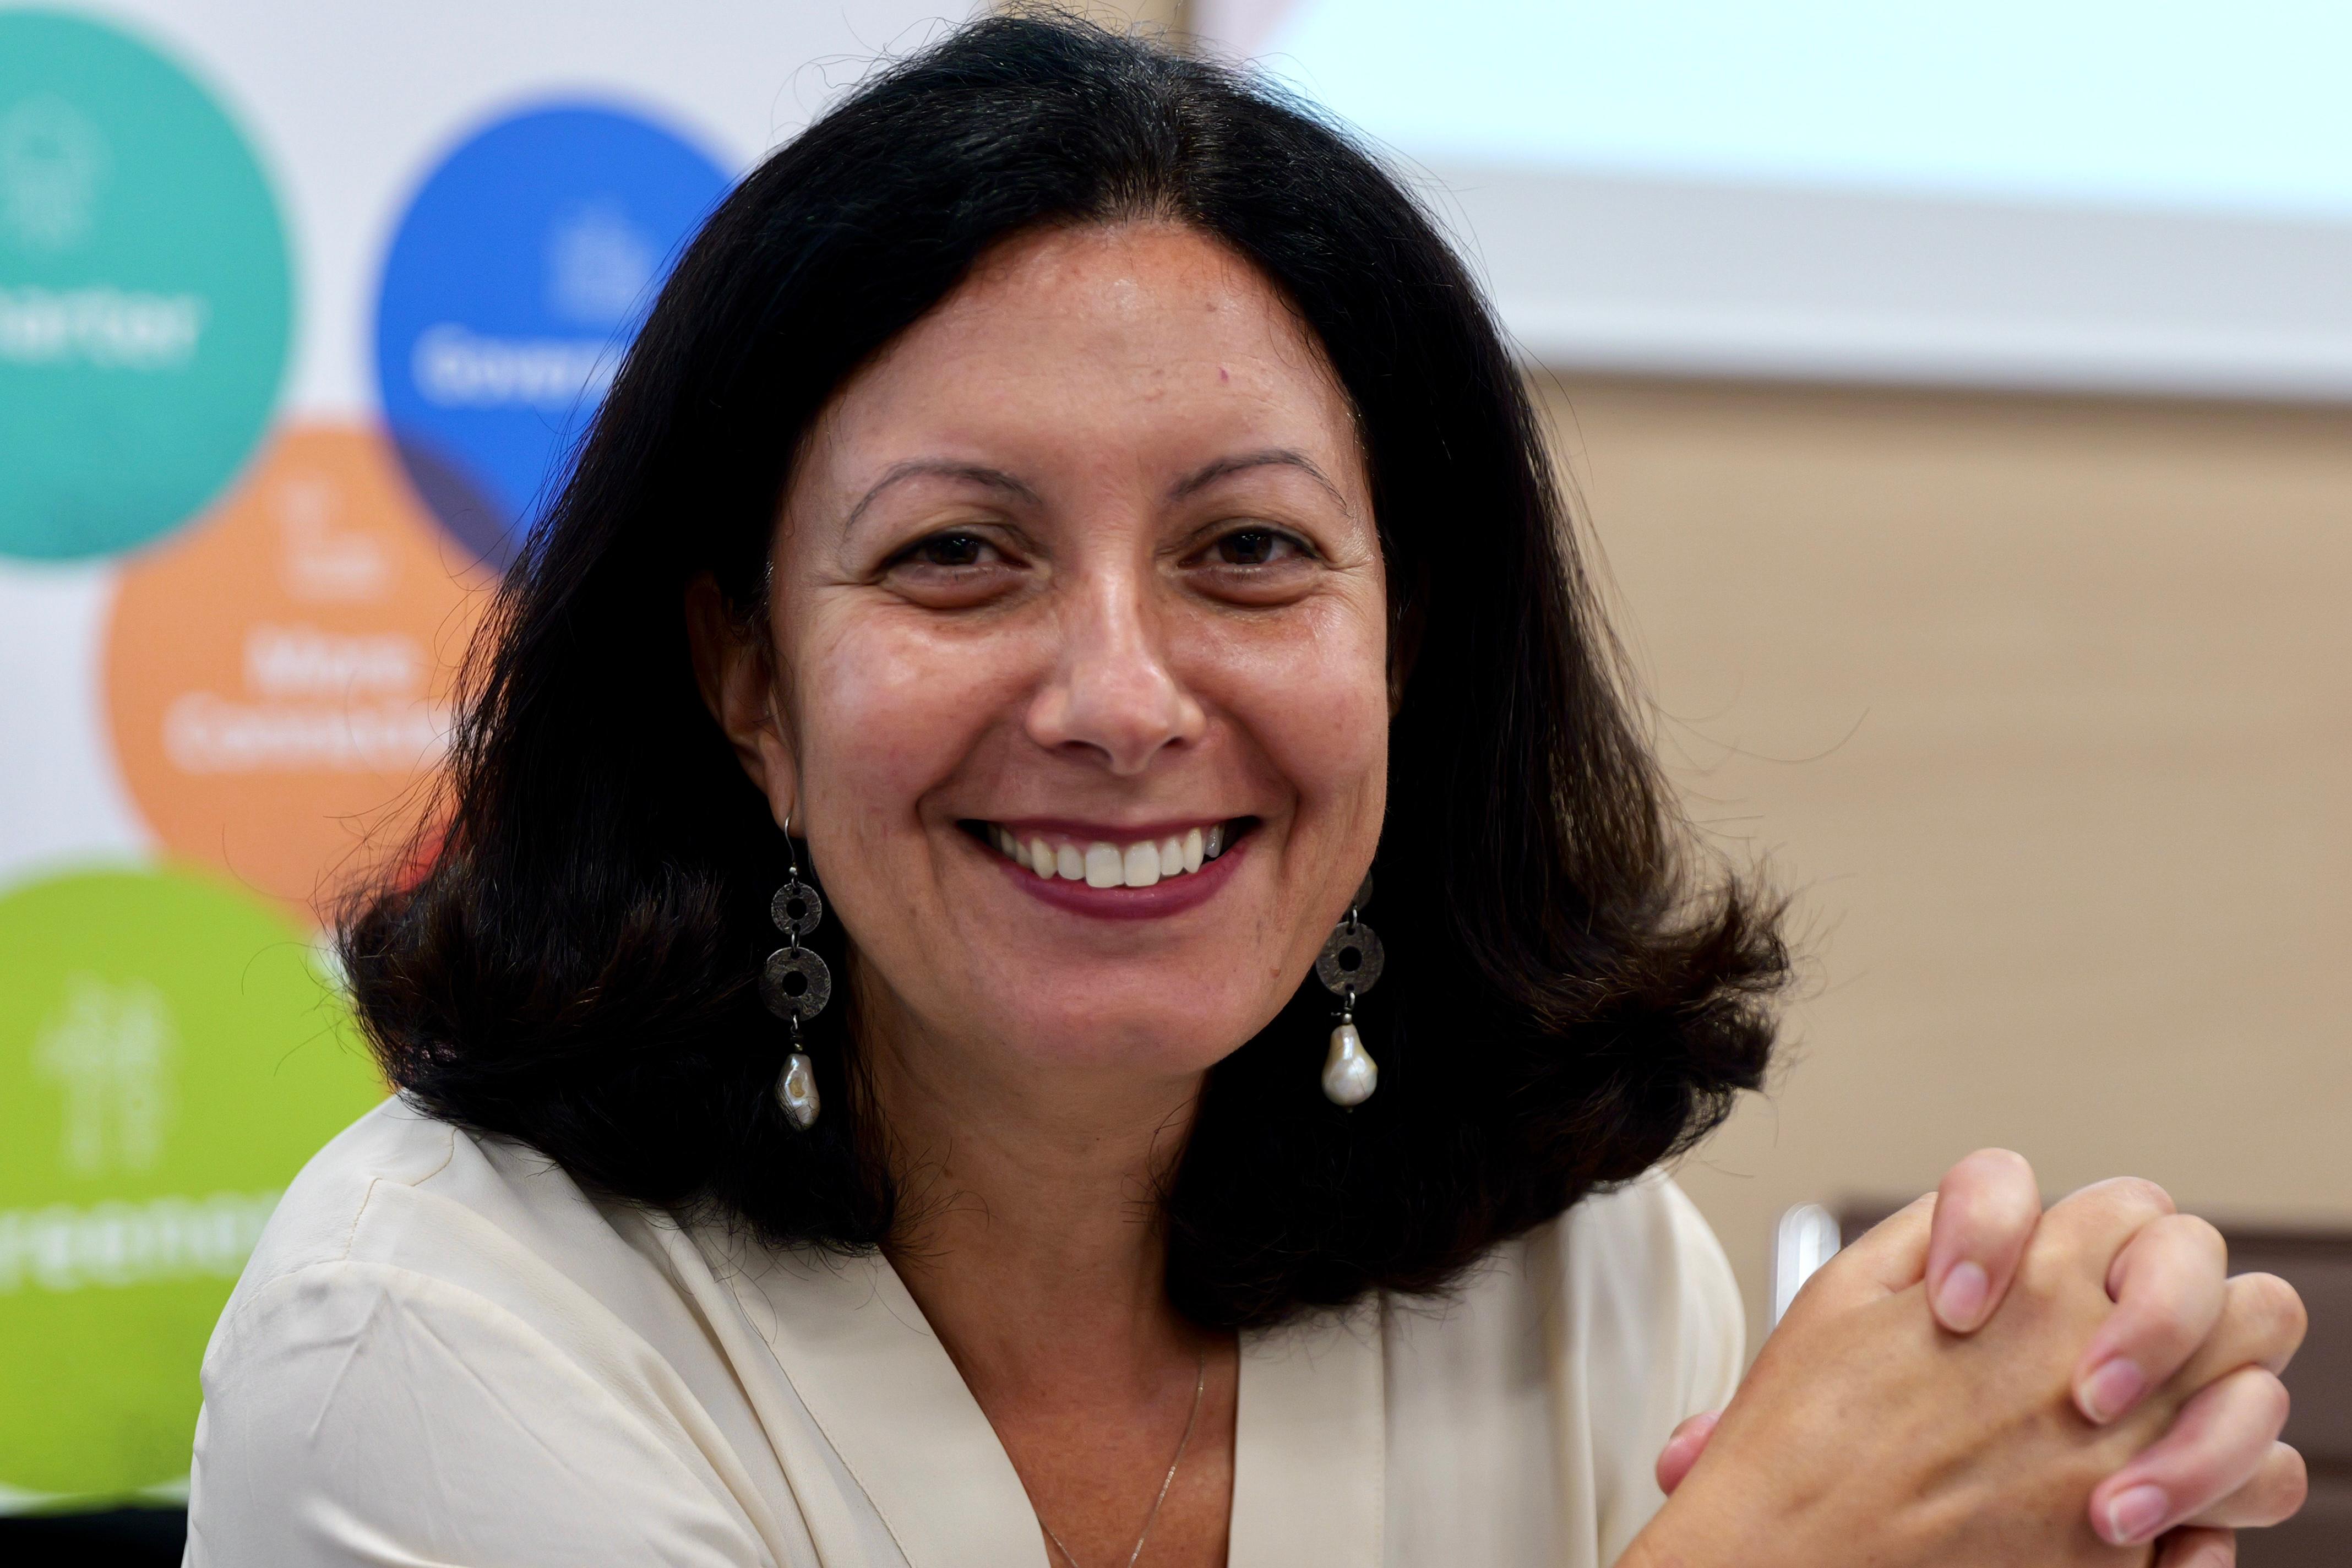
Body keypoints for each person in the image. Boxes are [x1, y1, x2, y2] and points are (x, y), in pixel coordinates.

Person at [184, 14, 2306, 1566]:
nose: (1122, 700)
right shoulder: (430, 1340)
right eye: (959, 555)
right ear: (748, 678)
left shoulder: (1576, 1272)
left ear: (1406, 643)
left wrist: (2068, 1445)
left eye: (1251, 551)